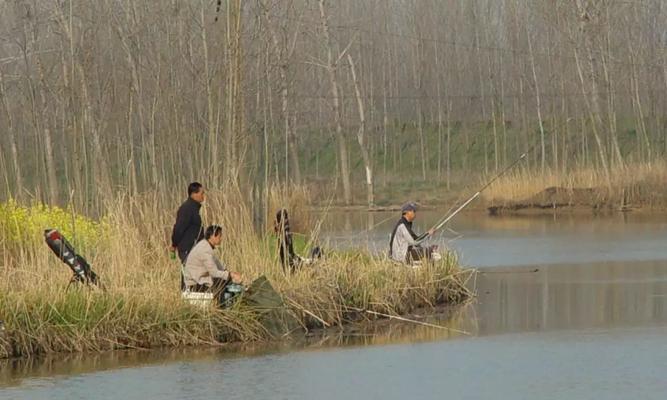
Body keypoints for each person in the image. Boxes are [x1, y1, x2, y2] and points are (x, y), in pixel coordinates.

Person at [183, 225, 242, 303]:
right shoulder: (205, 250)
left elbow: (217, 264)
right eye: (219, 236)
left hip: (199, 280)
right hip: (195, 284)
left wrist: (229, 273)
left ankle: (227, 304)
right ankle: (223, 307)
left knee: (225, 280)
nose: (221, 238)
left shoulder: (206, 245)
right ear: (212, 236)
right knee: (223, 283)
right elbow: (214, 273)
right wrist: (231, 275)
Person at [171, 182, 205, 289]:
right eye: (201, 193)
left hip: (194, 248)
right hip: (187, 248)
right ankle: (186, 298)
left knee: (196, 274)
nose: (203, 196)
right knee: (188, 274)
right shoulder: (186, 209)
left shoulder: (194, 209)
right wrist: (174, 244)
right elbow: (178, 228)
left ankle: (195, 297)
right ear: (194, 194)